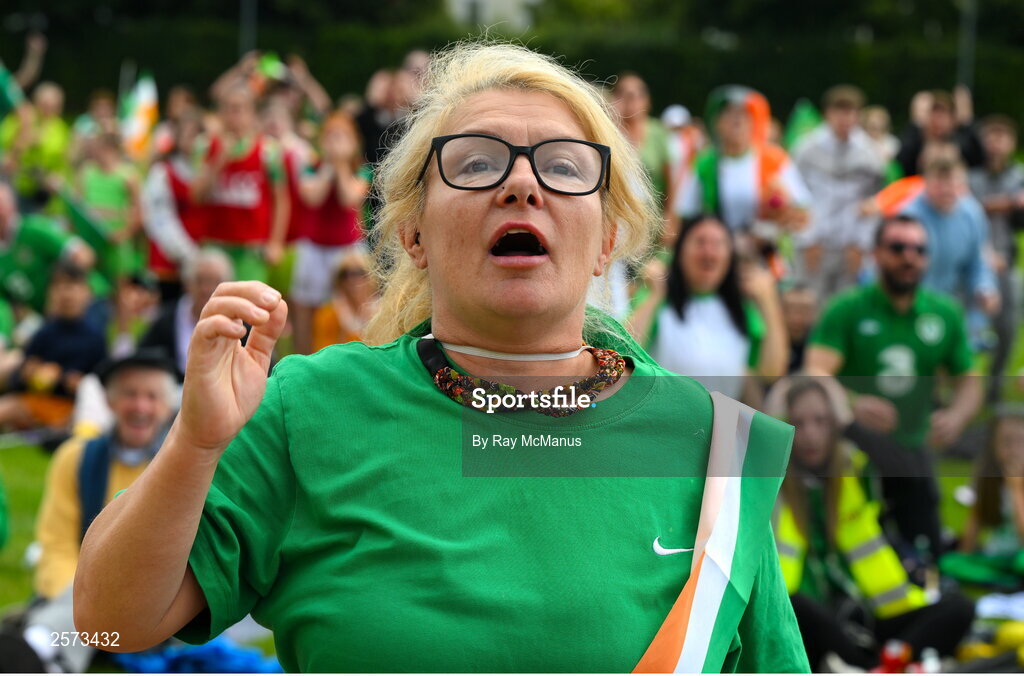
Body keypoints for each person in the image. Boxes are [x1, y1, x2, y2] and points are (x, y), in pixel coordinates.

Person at [75, 42, 809, 672]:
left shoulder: (712, 443)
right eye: (477, 163)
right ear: (415, 234)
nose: (521, 184)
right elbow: (109, 622)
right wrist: (196, 442)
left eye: (562, 166)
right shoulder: (306, 406)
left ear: (609, 241)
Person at [805, 215, 983, 564]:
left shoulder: (943, 313)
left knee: (928, 553)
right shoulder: (847, 308)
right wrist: (854, 403)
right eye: (898, 247)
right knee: (856, 553)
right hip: (852, 451)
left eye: (919, 249)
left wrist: (958, 415)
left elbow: (970, 380)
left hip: (914, 448)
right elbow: (814, 372)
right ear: (876, 254)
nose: (909, 257)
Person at [766, 376, 975, 671]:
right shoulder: (771, 480)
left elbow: (908, 476)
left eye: (821, 421)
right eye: (799, 423)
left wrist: (850, 424)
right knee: (797, 607)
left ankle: (880, 665)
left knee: (959, 607)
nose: (810, 435)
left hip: (873, 616)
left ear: (835, 423)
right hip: (814, 621)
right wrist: (771, 424)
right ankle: (875, 667)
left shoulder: (856, 467)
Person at [16, 350, 178, 673]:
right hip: (79, 597)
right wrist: (91, 603)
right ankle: (46, 650)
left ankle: (42, 646)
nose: (141, 407)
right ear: (110, 402)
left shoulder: (182, 470)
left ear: (168, 407)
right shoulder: (75, 458)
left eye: (152, 396)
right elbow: (56, 547)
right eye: (130, 395)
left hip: (155, 605)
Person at [628, 215, 788, 401]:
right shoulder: (657, 296)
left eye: (718, 244)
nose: (709, 253)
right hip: (665, 420)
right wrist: (654, 296)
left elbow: (771, 371)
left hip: (721, 425)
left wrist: (769, 301)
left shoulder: (740, 308)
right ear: (680, 251)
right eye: (700, 242)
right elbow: (625, 352)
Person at [681, 85, 812, 276]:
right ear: (716, 123)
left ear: (753, 122)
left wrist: (773, 225)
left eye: (743, 114)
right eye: (728, 114)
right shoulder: (704, 164)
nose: (736, 120)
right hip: (718, 260)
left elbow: (803, 213)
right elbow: (686, 215)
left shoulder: (774, 159)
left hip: (767, 258)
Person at [191, 84, 289, 283]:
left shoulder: (269, 150)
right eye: (228, 108)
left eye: (240, 108)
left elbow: (281, 199)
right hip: (215, 244)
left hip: (251, 249)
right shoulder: (205, 146)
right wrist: (219, 160)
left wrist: (275, 242)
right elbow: (196, 195)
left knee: (249, 306)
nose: (234, 114)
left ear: (252, 112)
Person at [792, 85, 885, 296]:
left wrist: (862, 243)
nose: (845, 119)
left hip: (850, 249)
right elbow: (796, 196)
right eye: (839, 112)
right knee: (810, 309)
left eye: (851, 112)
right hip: (814, 247)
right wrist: (807, 238)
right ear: (827, 114)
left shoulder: (870, 153)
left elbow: (873, 202)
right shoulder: (806, 149)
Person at [291, 112, 370, 355]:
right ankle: (302, 358)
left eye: (341, 137)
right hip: (314, 248)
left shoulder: (362, 169)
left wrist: (341, 166)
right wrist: (329, 166)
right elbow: (312, 198)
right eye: (330, 136)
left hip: (347, 251)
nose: (335, 142)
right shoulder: (311, 166)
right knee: (306, 309)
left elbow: (350, 198)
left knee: (352, 305)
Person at [0, 261, 107, 431]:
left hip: (73, 407)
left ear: (87, 293)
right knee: (7, 407)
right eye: (59, 287)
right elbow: (19, 377)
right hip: (39, 401)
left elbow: (101, 383)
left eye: (72, 286)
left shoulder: (95, 337)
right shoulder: (45, 333)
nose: (66, 294)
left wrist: (76, 382)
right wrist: (27, 373)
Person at [968, 115, 1024, 400]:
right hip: (969, 265)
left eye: (1002, 137)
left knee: (1007, 328)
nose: (996, 144)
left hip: (1006, 262)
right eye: (991, 137)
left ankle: (993, 387)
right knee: (965, 328)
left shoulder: (1019, 176)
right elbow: (967, 208)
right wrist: (1004, 203)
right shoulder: (971, 175)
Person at [941, 404, 1024, 588]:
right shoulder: (988, 477)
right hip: (995, 557)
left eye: (1020, 442)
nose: (1013, 450)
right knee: (949, 562)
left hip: (1021, 556)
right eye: (1006, 442)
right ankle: (1006, 582)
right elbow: (975, 522)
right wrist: (961, 559)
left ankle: (1006, 582)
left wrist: (1016, 488)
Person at [139, 247, 235, 381]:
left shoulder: (240, 324)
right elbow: (143, 358)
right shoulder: (166, 319)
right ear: (187, 283)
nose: (206, 288)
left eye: (214, 281)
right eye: (200, 280)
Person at [142, 110, 205, 301]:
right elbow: (157, 218)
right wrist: (187, 253)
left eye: (196, 134)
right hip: (169, 259)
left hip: (203, 255)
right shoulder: (162, 171)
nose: (191, 140)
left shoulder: (209, 172)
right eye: (186, 134)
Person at [77, 132, 144, 282]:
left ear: (111, 149)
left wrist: (121, 235)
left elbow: (139, 213)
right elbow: (77, 208)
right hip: (92, 244)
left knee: (119, 289)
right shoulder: (86, 173)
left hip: (118, 246)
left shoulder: (128, 176)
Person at [0, 81, 71, 212]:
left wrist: (57, 177)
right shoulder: (20, 119)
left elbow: (63, 163)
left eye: (53, 107)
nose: (48, 111)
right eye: (44, 105)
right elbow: (5, 154)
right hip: (14, 186)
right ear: (35, 102)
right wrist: (23, 139)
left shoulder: (60, 129)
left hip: (42, 193)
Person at [897, 88, 985, 178]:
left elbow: (980, 160)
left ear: (952, 119)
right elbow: (901, 162)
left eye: (943, 115)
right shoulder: (916, 142)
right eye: (934, 114)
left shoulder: (961, 142)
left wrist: (967, 121)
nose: (938, 121)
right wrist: (916, 124)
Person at [311, 250, 378, 352]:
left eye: (360, 272)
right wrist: (343, 327)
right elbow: (322, 355)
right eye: (345, 274)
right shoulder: (328, 314)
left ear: (371, 275)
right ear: (338, 280)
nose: (352, 279)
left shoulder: (384, 311)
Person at [780, 281, 819, 375]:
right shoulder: (768, 339)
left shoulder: (821, 343)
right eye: (789, 309)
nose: (796, 319)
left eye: (804, 311)